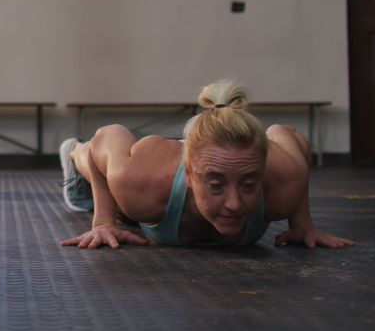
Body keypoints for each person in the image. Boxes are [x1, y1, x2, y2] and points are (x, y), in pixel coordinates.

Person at [58, 80, 354, 249]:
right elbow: (106, 137)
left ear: (263, 171)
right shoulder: (141, 179)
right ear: (188, 174)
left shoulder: (285, 177)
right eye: (216, 186)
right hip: (155, 181)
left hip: (215, 163)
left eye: (249, 184)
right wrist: (104, 221)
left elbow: (290, 138)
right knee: (98, 161)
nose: (235, 204)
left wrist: (302, 224)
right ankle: (73, 151)